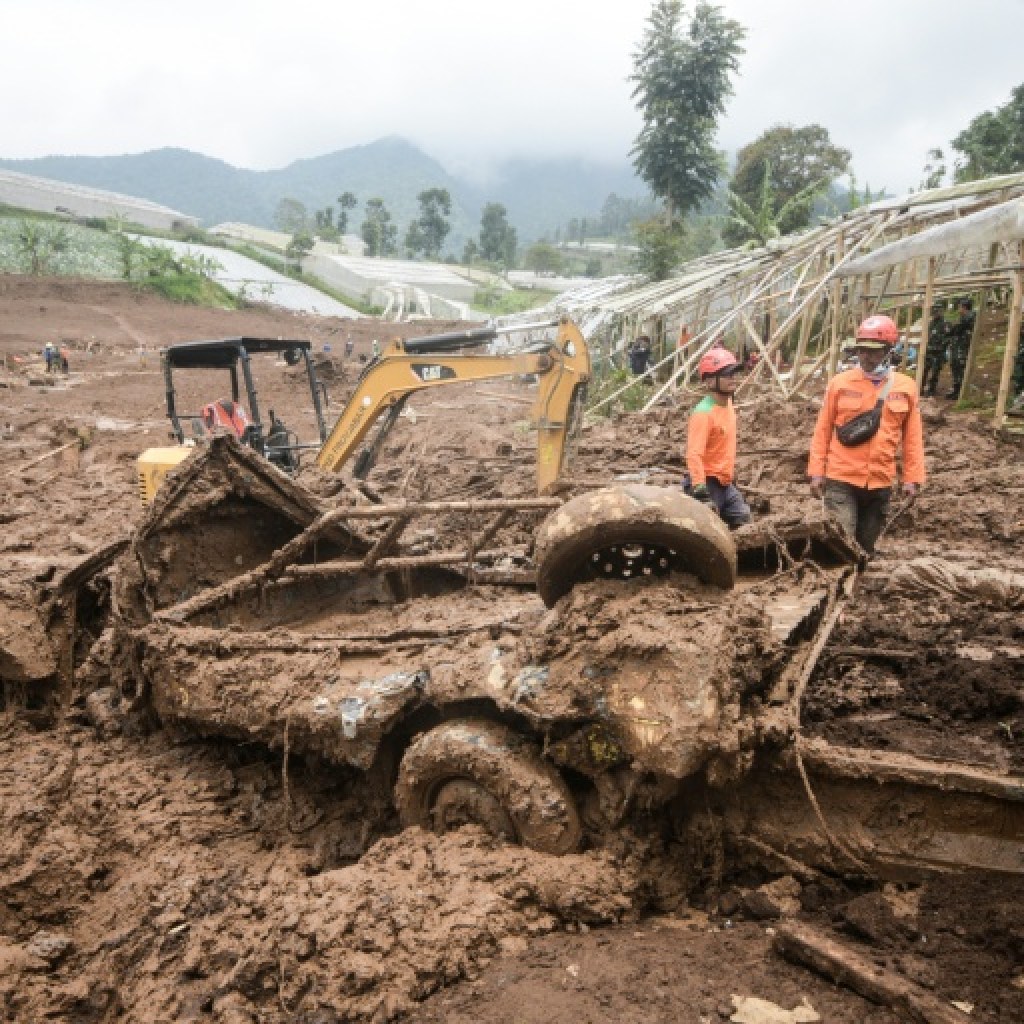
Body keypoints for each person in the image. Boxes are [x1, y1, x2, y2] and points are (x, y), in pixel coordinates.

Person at [808, 314, 925, 555]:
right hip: (842, 478)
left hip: (880, 480)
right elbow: (823, 430)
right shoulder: (840, 384)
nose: (866, 357)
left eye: (873, 351)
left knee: (865, 546)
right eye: (862, 350)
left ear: (889, 351)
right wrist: (817, 472)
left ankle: (857, 584)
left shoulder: (905, 388)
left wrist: (912, 478)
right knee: (842, 540)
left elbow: (912, 438)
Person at [685, 347, 751, 528]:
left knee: (743, 518)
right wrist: (699, 489)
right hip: (707, 483)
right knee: (706, 531)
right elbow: (694, 454)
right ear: (710, 381)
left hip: (725, 483)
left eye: (733, 373)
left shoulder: (728, 403)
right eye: (726, 374)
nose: (732, 378)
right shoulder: (703, 414)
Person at [947, 297, 975, 399]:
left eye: (960, 307)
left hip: (962, 348)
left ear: (964, 307)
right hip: (957, 347)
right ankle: (956, 390)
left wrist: (953, 327)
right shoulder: (963, 318)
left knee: (960, 368)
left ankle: (961, 392)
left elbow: (956, 328)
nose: (958, 309)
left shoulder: (969, 316)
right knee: (955, 368)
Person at [921, 304, 948, 397]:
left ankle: (931, 390)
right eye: (934, 312)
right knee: (924, 370)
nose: (935, 314)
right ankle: (921, 387)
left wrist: (941, 347)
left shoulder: (945, 323)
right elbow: (928, 335)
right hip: (929, 351)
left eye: (937, 312)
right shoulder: (931, 323)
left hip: (938, 353)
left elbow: (947, 338)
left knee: (935, 372)